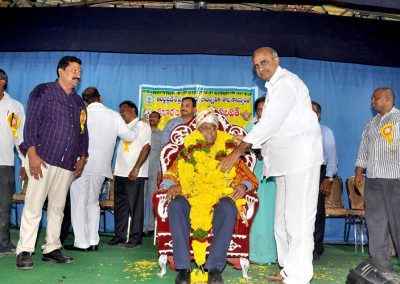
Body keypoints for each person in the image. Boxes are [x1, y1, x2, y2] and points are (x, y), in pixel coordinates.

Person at [217, 47, 323, 284]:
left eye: (264, 62)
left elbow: (270, 124)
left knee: (299, 219)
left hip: (301, 159)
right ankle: (288, 269)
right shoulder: (274, 88)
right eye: (256, 65)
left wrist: (237, 152)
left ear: (277, 60)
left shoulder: (287, 83)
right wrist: (247, 144)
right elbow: (273, 129)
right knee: (282, 219)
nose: (261, 68)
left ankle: (300, 276)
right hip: (285, 161)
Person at [160, 109, 258, 284]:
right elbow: (170, 176)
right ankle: (183, 268)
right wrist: (172, 186)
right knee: (175, 205)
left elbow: (248, 177)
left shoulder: (230, 151)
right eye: (204, 128)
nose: (209, 132)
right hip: (191, 198)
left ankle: (213, 268)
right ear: (198, 131)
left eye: (213, 128)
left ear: (217, 129)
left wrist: (244, 186)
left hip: (219, 198)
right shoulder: (187, 151)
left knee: (228, 206)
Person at [16, 56, 89, 270]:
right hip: (43, 159)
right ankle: (25, 250)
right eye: (74, 70)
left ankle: (51, 248)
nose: (78, 74)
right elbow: (32, 122)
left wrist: (83, 156)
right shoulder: (44, 91)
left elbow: (83, 130)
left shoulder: (78, 101)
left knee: (58, 208)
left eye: (80, 71)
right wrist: (32, 154)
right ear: (61, 71)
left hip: (67, 162)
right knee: (34, 205)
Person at [64, 87, 140, 252]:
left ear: (84, 100)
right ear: (100, 98)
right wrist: (139, 126)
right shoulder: (114, 115)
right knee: (93, 203)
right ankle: (93, 241)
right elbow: (130, 137)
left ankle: (81, 242)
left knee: (78, 204)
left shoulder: (79, 114)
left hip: (79, 164)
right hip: (101, 167)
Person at [355, 87, 400, 271]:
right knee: (375, 224)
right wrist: (359, 172)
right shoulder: (370, 123)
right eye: (372, 98)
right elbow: (363, 150)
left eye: (376, 98)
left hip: (396, 179)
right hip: (372, 179)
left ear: (388, 99)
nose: (372, 101)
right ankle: (382, 269)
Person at [108, 101, 151, 248]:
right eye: (120, 111)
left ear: (133, 110)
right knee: (120, 206)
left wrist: (136, 168)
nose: (122, 113)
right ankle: (119, 236)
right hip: (120, 172)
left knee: (135, 207)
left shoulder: (142, 125)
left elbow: (146, 148)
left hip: (134, 173)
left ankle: (135, 239)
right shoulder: (124, 127)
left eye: (124, 111)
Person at [246, 96, 277, 264]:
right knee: (256, 212)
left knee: (272, 213)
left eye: (265, 109)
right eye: (259, 109)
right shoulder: (250, 127)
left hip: (273, 176)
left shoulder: (278, 128)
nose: (262, 112)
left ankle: (271, 254)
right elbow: (242, 150)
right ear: (255, 112)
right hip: (255, 174)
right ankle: (252, 253)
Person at [0, 68, 26, 256]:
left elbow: (21, 138)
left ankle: (3, 243)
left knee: (3, 206)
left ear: (2, 82)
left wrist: (24, 163)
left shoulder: (15, 106)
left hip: (5, 164)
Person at [311, 101, 338, 260]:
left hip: (319, 172)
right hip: (300, 172)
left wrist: (328, 178)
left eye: (314, 111)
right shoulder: (297, 130)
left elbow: (332, 157)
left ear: (319, 115)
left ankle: (316, 247)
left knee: (317, 211)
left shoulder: (325, 131)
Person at [143, 111, 162, 237]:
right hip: (142, 170)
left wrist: (161, 171)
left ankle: (150, 227)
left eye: (155, 117)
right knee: (140, 200)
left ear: (159, 119)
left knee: (152, 199)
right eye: (150, 117)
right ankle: (140, 227)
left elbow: (163, 155)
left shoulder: (162, 135)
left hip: (155, 171)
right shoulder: (143, 133)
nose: (152, 118)